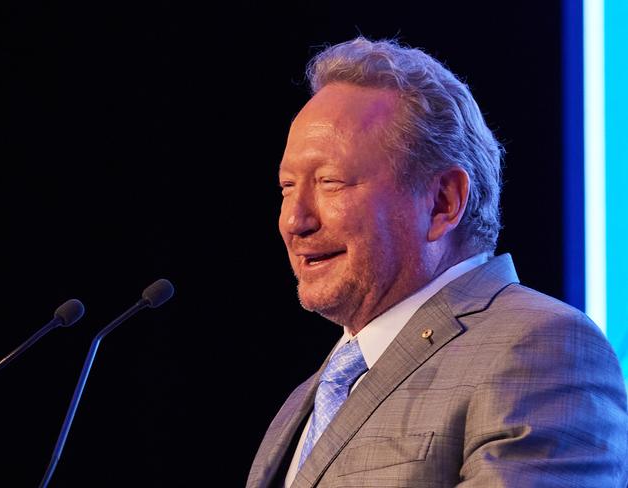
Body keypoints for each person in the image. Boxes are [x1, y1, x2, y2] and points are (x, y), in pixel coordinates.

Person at [247, 37, 628, 487]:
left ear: (443, 202)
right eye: (287, 188)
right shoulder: (310, 397)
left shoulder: (541, 348)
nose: (295, 220)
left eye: (331, 182)